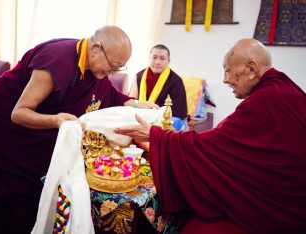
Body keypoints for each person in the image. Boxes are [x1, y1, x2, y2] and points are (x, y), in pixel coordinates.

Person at [114, 38, 306, 233]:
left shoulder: (266, 100)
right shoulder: (283, 87)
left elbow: (214, 144)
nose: (225, 79)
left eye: (228, 70)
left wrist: (157, 136)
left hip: (279, 209)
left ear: (251, 68)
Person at [0, 25, 158, 234]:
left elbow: (112, 95)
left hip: (39, 139)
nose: (113, 72)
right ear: (96, 47)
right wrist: (55, 120)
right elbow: (19, 113)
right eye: (113, 65)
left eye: (119, 68)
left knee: (40, 198)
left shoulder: (90, 66)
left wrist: (136, 104)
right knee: (13, 203)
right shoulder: (56, 61)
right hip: (8, 136)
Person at [129, 44, 188, 122]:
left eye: (162, 58)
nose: (157, 62)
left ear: (168, 61)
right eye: (154, 57)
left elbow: (177, 111)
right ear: (149, 58)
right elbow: (132, 102)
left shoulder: (176, 81)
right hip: (140, 116)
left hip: (163, 120)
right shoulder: (139, 76)